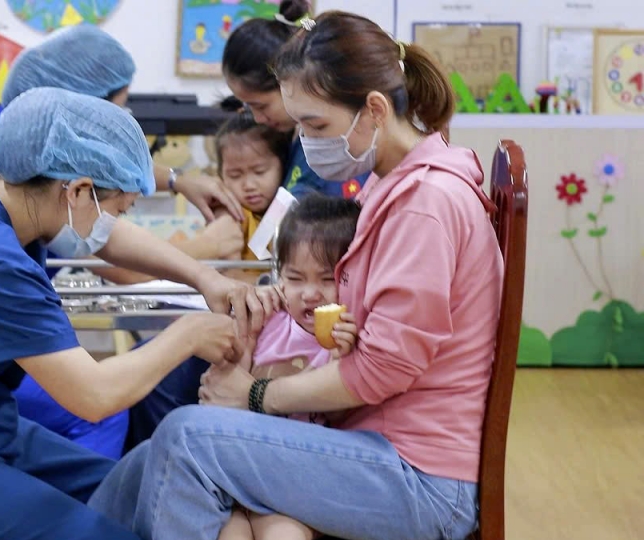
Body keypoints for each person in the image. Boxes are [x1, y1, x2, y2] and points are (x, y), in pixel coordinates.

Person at [88, 11, 503, 540]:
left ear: (374, 110)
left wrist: (255, 393)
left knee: (187, 439)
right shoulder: (397, 187)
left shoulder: (424, 204)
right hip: (380, 447)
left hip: (418, 477)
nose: (305, 141)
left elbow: (381, 372)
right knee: (157, 454)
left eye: (316, 125)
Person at [0, 87, 270, 540]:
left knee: (144, 497)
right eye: (117, 208)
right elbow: (93, 397)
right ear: (77, 190)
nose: (113, 221)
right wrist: (190, 333)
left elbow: (105, 237)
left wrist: (204, 277)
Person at [0, 23, 245, 460]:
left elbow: (93, 172)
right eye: (111, 120)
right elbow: (110, 255)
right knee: (101, 413)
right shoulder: (4, 209)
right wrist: (205, 259)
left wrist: (177, 180)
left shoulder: (10, 137)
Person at [0, 23, 244, 225]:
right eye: (115, 111)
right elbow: (107, 250)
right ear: (82, 105)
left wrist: (176, 180)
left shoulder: (23, 128)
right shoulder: (15, 156)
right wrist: (211, 250)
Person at [217, 194, 360, 540]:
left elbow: (341, 416)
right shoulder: (269, 322)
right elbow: (224, 391)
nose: (310, 294)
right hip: (243, 473)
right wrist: (247, 333)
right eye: (295, 279)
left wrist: (341, 359)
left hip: (299, 486)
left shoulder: (348, 337)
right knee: (227, 532)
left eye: (327, 279)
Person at [222, 0, 369, 200]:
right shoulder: (292, 140)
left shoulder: (333, 152)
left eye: (261, 106)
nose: (257, 119)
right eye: (247, 106)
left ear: (287, 85)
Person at [210, 98, 292, 285]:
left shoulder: (290, 207)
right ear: (220, 174)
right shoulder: (231, 215)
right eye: (235, 175)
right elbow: (231, 276)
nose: (248, 185)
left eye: (259, 172)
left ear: (283, 165)